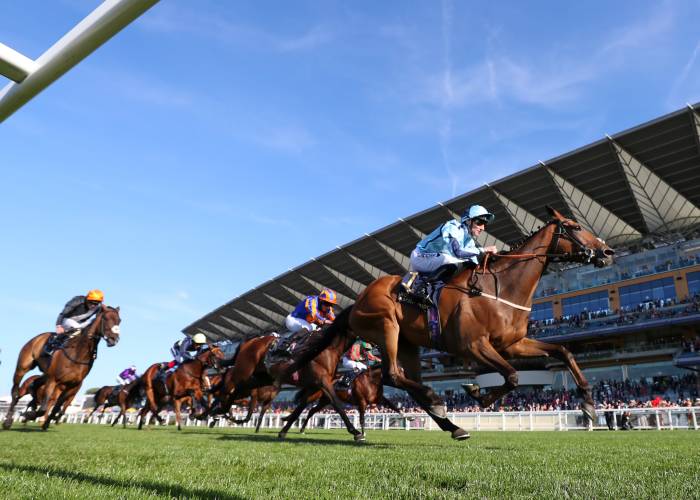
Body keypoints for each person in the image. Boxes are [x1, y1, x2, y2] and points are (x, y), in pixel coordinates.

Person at [404, 205, 498, 303]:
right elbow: (458, 252)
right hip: (420, 257)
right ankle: (421, 288)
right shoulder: (452, 227)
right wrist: (483, 250)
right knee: (449, 259)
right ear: (468, 220)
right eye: (480, 222)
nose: (482, 228)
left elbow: (475, 264)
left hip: (435, 260)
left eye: (485, 224)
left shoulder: (469, 241)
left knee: (469, 265)